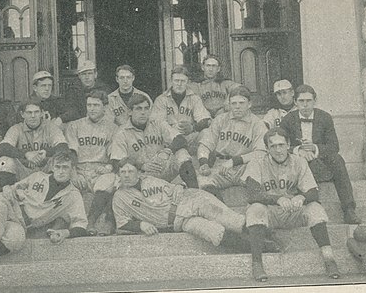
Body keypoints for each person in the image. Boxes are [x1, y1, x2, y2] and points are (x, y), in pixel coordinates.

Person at [242, 127, 340, 282]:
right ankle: (257, 264)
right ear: (267, 148)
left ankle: (329, 259)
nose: (278, 150)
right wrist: (277, 199)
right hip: (270, 214)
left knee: (315, 208)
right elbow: (253, 194)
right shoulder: (257, 163)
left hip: (293, 211)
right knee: (255, 209)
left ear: (288, 145)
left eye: (281, 145)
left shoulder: (299, 161)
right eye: (273, 146)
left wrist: (301, 197)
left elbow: (313, 192)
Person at [112, 161, 246, 247]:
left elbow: (176, 189)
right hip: (180, 223)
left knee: (234, 222)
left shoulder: (150, 180)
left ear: (138, 173)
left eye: (130, 171)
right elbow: (122, 223)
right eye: (123, 172)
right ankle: (257, 246)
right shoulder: (119, 197)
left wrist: (180, 188)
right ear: (118, 174)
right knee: (214, 233)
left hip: (191, 201)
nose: (127, 175)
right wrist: (140, 224)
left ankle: (263, 242)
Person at [280, 84, 361, 225]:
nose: (305, 105)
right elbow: (279, 145)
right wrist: (298, 151)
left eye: (308, 101)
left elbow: (334, 146)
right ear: (295, 102)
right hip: (298, 162)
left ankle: (349, 209)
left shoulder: (324, 117)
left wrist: (315, 149)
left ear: (314, 101)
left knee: (338, 160)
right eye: (301, 101)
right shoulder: (288, 120)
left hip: (320, 161)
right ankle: (304, 211)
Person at [109, 93, 199, 188]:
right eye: (138, 109)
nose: (143, 112)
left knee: (182, 153)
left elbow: (180, 139)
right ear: (130, 112)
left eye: (146, 108)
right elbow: (117, 162)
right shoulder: (122, 133)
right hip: (143, 174)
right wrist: (140, 165)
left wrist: (167, 151)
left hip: (163, 167)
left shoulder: (157, 123)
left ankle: (195, 190)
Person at [65, 89, 119, 234]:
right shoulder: (75, 125)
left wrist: (109, 167)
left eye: (96, 105)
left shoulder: (113, 128)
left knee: (109, 182)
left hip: (100, 170)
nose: (92, 109)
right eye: (89, 105)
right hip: (79, 169)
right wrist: (73, 172)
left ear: (104, 107)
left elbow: (115, 155)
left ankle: (91, 222)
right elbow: (71, 152)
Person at [196, 86, 268, 194]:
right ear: (229, 105)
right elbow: (205, 145)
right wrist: (203, 163)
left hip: (244, 167)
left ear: (249, 104)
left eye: (241, 103)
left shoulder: (258, 124)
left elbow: (261, 153)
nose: (237, 107)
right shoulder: (220, 120)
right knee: (202, 182)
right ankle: (220, 208)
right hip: (221, 166)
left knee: (259, 174)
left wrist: (234, 161)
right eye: (234, 103)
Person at [0, 99, 69, 188]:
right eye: (29, 113)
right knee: (4, 162)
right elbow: (4, 147)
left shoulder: (51, 127)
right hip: (24, 171)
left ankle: (54, 195)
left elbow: (63, 147)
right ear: (22, 114)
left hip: (45, 170)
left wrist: (46, 153)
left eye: (36, 112)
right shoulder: (16, 128)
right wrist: (26, 154)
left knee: (61, 159)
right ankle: (7, 196)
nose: (33, 116)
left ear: (42, 113)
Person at [150, 66, 211, 153]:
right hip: (169, 140)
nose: (179, 84)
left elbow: (205, 119)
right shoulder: (161, 99)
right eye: (176, 81)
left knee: (206, 133)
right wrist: (175, 134)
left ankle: (204, 160)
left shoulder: (194, 98)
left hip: (189, 137)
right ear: (171, 81)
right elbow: (159, 123)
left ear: (188, 82)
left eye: (183, 81)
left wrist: (193, 127)